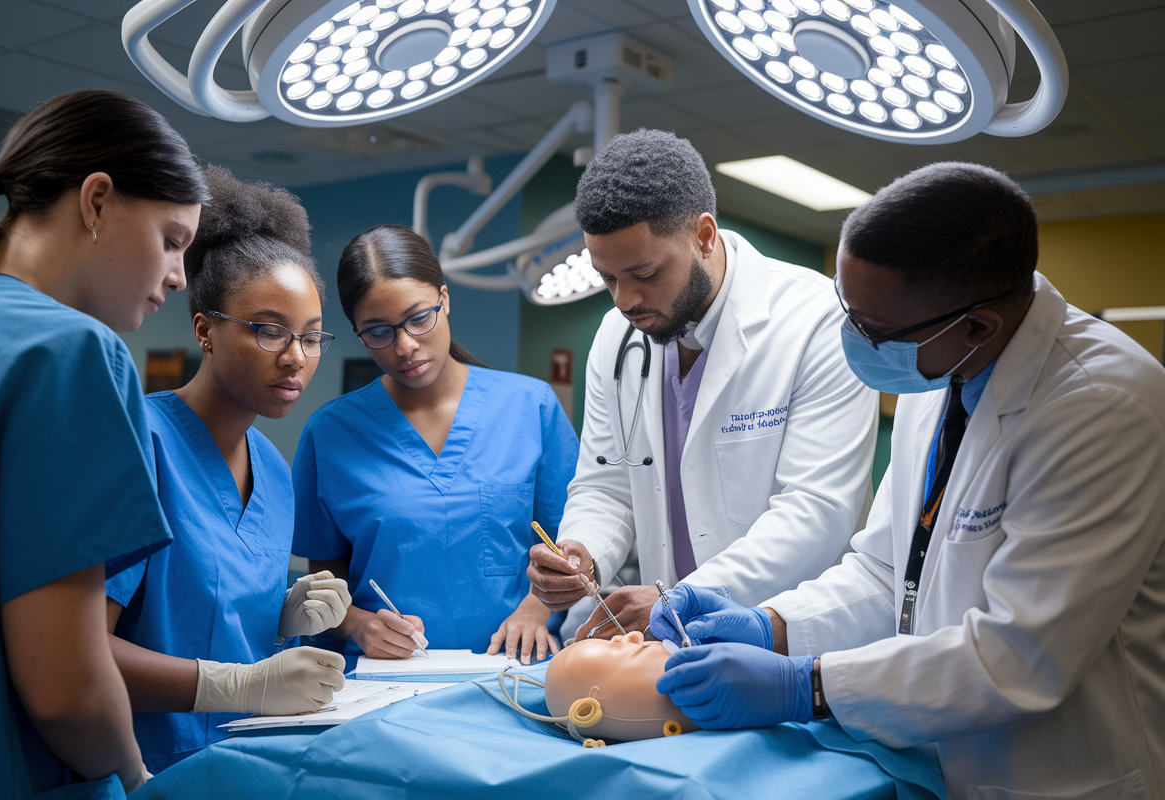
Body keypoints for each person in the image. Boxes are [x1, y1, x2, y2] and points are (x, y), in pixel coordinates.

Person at [652, 162, 1165, 800]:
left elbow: (1020, 655)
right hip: (945, 759)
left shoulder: (1104, 407)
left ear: (978, 325)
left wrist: (805, 684)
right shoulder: (939, 367)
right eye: (849, 309)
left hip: (1066, 773)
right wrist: (772, 624)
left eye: (875, 330)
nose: (853, 339)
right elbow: (889, 571)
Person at [0, 89, 208, 797]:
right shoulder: (70, 351)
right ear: (96, 201)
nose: (179, 277)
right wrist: (135, 774)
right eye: (173, 240)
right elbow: (65, 689)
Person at [527, 129, 878, 638]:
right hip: (666, 636)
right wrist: (583, 554)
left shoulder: (817, 319)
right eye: (607, 278)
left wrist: (683, 599)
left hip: (787, 631)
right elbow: (607, 486)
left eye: (643, 272)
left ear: (705, 235)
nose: (624, 300)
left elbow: (817, 512)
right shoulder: (616, 339)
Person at [105, 167, 350, 772]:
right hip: (140, 766)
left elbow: (227, 627)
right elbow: (75, 653)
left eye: (313, 338)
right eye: (270, 331)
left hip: (245, 762)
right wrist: (239, 686)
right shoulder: (138, 441)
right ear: (204, 330)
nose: (296, 357)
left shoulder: (271, 466)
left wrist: (281, 616)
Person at [293, 224, 579, 664]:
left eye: (419, 317)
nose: (405, 346)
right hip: (389, 678)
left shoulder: (530, 407)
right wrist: (358, 624)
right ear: (356, 332)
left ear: (445, 299)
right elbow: (325, 573)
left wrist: (535, 609)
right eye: (378, 332)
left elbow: (571, 542)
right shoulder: (331, 433)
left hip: (515, 668)